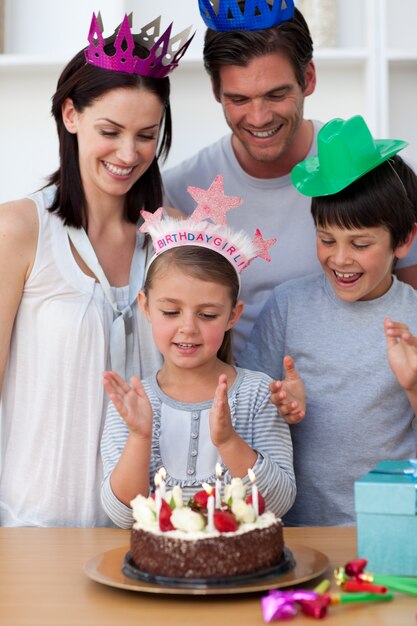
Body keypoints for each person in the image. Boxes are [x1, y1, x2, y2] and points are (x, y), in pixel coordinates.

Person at [0, 11, 194, 527]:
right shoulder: (20, 229)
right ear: (70, 115)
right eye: (111, 130)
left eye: (147, 135)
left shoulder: (174, 236)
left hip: (156, 529)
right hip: (36, 528)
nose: (128, 154)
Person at [162, 1, 417, 355]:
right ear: (215, 91)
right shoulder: (177, 192)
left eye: (276, 94)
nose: (259, 116)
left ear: (308, 78)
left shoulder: (376, 175)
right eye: (238, 98)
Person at [238, 115, 417, 526]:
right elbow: (246, 408)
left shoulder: (412, 318)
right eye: (326, 239)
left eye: (360, 243)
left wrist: (413, 384)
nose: (339, 258)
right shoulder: (289, 305)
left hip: (390, 527)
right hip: (296, 526)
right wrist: (281, 404)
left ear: (404, 240)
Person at [100, 187, 296, 528]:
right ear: (145, 306)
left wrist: (228, 441)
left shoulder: (257, 395)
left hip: (240, 575)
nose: (187, 328)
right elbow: (122, 516)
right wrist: (139, 437)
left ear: (233, 316)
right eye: (171, 311)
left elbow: (278, 504)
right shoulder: (134, 404)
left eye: (207, 315)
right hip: (156, 578)